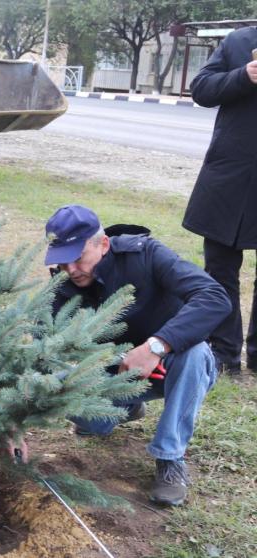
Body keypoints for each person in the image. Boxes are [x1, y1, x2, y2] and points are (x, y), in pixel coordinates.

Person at [44, 205, 229, 506]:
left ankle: (170, 460)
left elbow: (214, 297)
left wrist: (157, 346)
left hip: (174, 362)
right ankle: (128, 408)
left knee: (194, 353)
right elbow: (41, 349)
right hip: (114, 372)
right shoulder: (62, 283)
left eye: (78, 258)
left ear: (102, 244)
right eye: (62, 262)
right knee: (62, 394)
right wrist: (15, 418)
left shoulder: (145, 254)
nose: (71, 270)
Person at [182, 26, 257, 376]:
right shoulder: (240, 42)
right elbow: (202, 89)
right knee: (220, 268)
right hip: (229, 176)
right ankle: (225, 354)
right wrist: (244, 75)